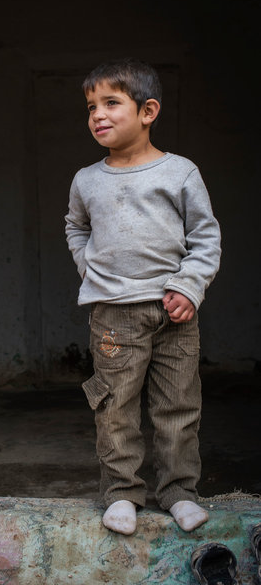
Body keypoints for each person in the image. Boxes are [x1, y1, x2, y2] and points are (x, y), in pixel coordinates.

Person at [65, 58, 221, 535]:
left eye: (111, 103)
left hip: (175, 312)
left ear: (148, 110)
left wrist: (189, 287)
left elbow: (205, 238)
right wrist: (88, 266)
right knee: (114, 406)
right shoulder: (87, 180)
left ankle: (178, 492)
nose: (98, 115)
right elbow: (76, 227)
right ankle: (122, 493)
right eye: (92, 106)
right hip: (112, 315)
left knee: (177, 406)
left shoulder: (180, 173)